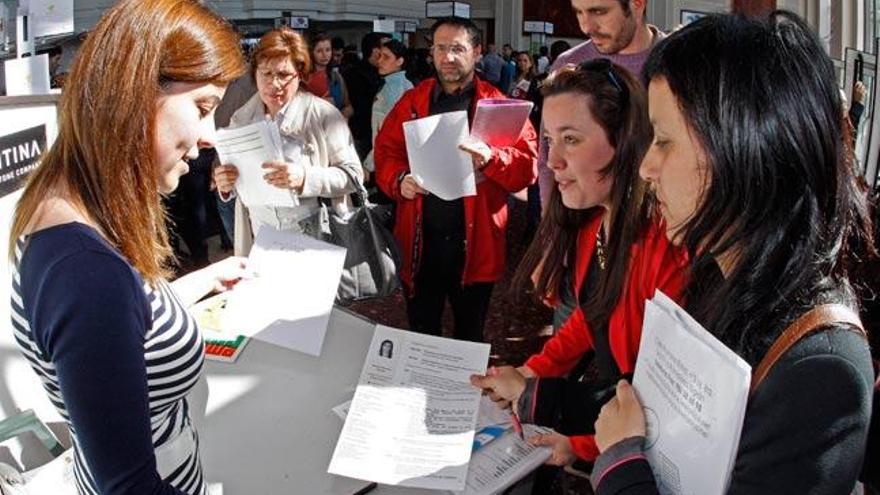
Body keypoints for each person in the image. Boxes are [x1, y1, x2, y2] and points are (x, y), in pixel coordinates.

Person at [531, 12, 875, 494]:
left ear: (743, 152)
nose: (647, 167)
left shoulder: (821, 369)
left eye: (666, 143)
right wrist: (553, 409)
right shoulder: (716, 272)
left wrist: (620, 462)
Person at [9, 0, 247, 493]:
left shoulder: (69, 207)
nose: (208, 136)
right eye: (202, 108)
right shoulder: (84, 271)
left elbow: (119, 329)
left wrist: (196, 283)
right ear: (134, 95)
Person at [470, 61, 687, 467]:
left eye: (571, 139)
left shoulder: (664, 246)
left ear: (624, 142)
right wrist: (531, 372)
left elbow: (660, 408)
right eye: (550, 140)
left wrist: (537, 397)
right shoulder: (595, 224)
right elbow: (591, 319)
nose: (552, 161)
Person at [374, 17, 538, 343]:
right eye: (440, 48)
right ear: (431, 52)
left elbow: (528, 168)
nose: (448, 57)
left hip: (476, 247)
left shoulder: (500, 106)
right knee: (421, 333)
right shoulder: (412, 102)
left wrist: (493, 158)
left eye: (458, 48)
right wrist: (399, 179)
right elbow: (385, 153)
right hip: (421, 245)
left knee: (470, 335)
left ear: (477, 52)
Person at [212, 28, 363, 256]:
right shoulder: (240, 119)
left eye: (283, 75)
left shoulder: (324, 115)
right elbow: (239, 183)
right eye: (266, 74)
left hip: (316, 241)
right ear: (254, 75)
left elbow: (354, 175)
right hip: (263, 239)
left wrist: (305, 178)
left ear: (300, 74)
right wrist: (226, 185)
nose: (274, 84)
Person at [538, 0, 665, 210]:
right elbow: (547, 157)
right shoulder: (568, 64)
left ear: (638, 4)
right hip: (582, 222)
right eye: (579, 12)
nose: (586, 27)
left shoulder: (675, 62)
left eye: (599, 11)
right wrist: (551, 229)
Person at [364, 39, 414, 178]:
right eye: (379, 56)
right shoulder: (407, 85)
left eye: (386, 57)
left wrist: (369, 165)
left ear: (399, 61)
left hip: (388, 160)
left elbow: (387, 133)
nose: (380, 61)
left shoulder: (392, 91)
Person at [343, 32, 392, 160]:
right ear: (376, 52)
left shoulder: (387, 77)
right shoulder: (354, 75)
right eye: (385, 51)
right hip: (362, 135)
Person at [303, 32, 354, 120]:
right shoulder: (303, 78)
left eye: (328, 50)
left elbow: (348, 106)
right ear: (311, 53)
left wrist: (342, 116)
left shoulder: (336, 77)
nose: (324, 55)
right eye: (319, 51)